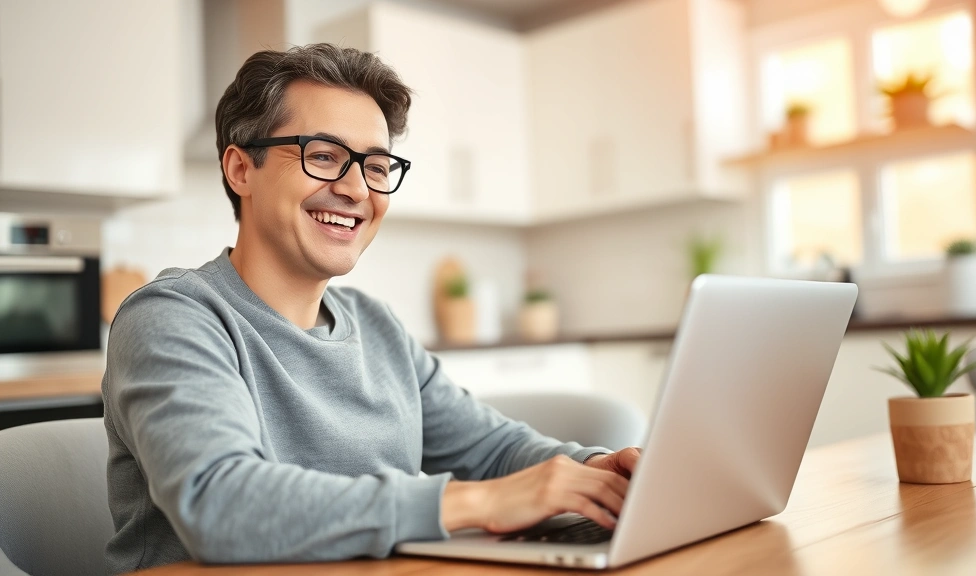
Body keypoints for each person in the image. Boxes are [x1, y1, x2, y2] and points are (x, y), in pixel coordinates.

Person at [102, 44, 640, 574]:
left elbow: (491, 448)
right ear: (241, 169)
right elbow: (219, 503)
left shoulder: (377, 326)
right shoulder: (171, 317)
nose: (358, 188)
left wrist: (593, 469)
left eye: (377, 167)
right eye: (324, 156)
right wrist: (480, 503)